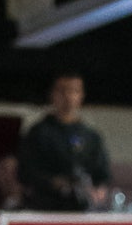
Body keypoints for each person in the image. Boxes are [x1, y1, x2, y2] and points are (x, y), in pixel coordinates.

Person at [18, 73, 112, 211]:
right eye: (62, 90)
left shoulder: (91, 136)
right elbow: (26, 171)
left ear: (81, 96)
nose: (68, 96)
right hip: (46, 206)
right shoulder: (39, 133)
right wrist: (55, 182)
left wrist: (97, 191)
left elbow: (102, 173)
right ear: (52, 94)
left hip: (83, 208)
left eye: (74, 91)